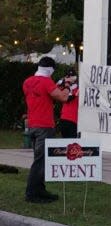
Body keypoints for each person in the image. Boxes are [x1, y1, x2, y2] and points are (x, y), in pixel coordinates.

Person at [23, 56, 70, 203]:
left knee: (41, 159)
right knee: (40, 160)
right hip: (44, 126)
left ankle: (40, 189)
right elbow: (63, 97)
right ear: (50, 69)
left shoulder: (27, 82)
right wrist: (68, 85)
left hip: (32, 125)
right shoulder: (47, 82)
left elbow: (41, 96)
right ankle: (32, 193)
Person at [57, 68, 79, 138]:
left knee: (72, 142)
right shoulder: (63, 86)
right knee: (66, 141)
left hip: (74, 119)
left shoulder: (78, 87)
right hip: (64, 118)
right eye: (69, 76)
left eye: (72, 76)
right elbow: (56, 88)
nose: (71, 78)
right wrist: (64, 81)